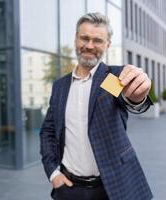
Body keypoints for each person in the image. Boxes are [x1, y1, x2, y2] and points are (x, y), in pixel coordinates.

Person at [40, 12, 153, 200]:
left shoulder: (114, 78)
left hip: (112, 188)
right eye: (84, 38)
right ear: (76, 39)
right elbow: (48, 132)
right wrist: (53, 172)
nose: (89, 46)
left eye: (98, 40)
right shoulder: (60, 86)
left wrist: (139, 94)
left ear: (108, 44)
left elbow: (132, 100)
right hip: (68, 188)